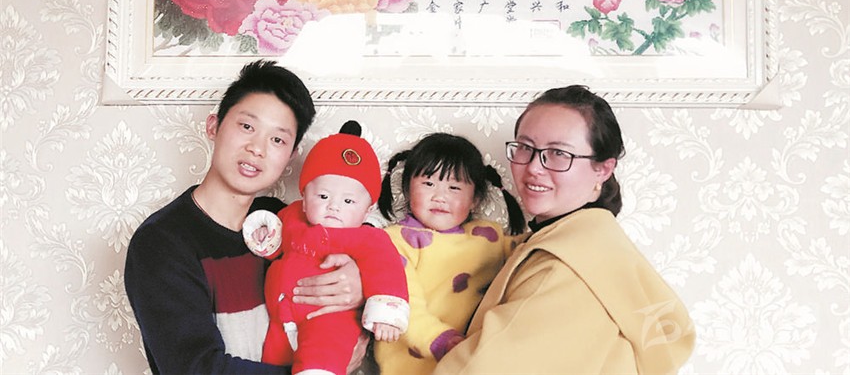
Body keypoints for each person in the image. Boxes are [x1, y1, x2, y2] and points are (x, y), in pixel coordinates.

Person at [125, 60, 366, 374]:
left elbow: (360, 240)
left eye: (277, 140)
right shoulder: (161, 242)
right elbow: (196, 368)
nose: (257, 148)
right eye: (247, 127)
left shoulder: (280, 218)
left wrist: (358, 279)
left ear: (291, 156)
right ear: (213, 126)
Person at [435, 86, 696, 374]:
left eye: (559, 153)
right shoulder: (596, 246)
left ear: (603, 169)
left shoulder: (562, 267)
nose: (534, 167)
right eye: (525, 147)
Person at [243, 121, 409, 375]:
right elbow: (275, 245)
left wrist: (386, 314)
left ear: (367, 210)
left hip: (330, 317)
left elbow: (386, 269)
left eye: (348, 201)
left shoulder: (367, 238)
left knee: (323, 354)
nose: (334, 206)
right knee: (271, 360)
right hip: (282, 317)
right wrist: (264, 237)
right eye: (323, 196)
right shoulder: (292, 217)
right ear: (304, 200)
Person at [373, 133, 525, 375]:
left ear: (475, 199)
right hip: (414, 365)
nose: (440, 197)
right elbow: (401, 302)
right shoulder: (394, 241)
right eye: (428, 184)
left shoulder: (488, 237)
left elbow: (530, 252)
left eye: (454, 188)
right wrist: (441, 340)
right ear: (407, 189)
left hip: (473, 361)